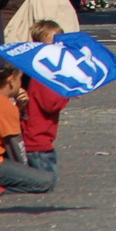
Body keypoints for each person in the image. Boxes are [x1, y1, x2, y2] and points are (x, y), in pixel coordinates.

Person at [0, 67, 56, 194]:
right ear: (11, 80)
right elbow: (16, 146)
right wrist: (25, 171)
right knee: (47, 180)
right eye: (20, 78)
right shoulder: (5, 106)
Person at [20, 20, 71, 178]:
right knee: (46, 181)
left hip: (36, 138)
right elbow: (51, 104)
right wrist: (66, 92)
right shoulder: (43, 75)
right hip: (37, 142)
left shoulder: (36, 70)